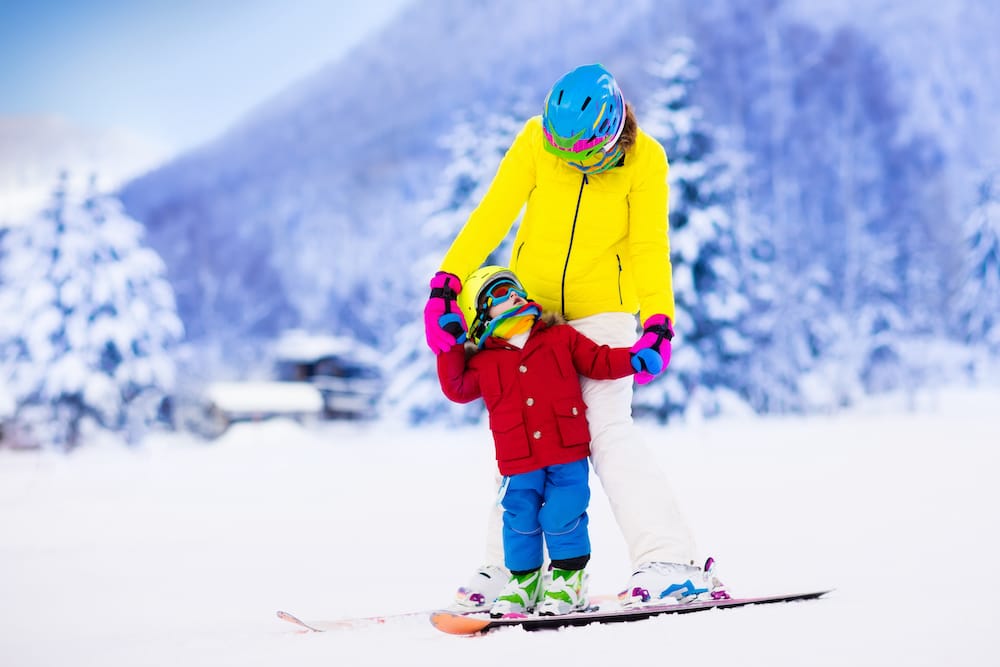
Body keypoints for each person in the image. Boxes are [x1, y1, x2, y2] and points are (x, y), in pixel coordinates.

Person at [423, 63, 726, 608]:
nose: (569, 161)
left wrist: (658, 322)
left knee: (608, 431)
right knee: (521, 437)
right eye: (561, 150)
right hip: (528, 314)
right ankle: (509, 570)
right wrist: (447, 281)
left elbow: (648, 247)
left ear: (611, 129)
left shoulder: (645, 160)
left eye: (581, 152)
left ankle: (669, 559)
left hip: (603, 313)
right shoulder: (537, 140)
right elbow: (494, 212)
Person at [435, 266, 666, 617]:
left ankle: (568, 581)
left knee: (564, 514)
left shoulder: (558, 337)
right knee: (519, 519)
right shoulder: (484, 361)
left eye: (513, 288)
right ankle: (525, 582)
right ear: (480, 313)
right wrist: (448, 345)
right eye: (497, 294)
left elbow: (598, 360)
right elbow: (456, 388)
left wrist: (633, 358)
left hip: (565, 449)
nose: (511, 294)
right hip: (517, 458)